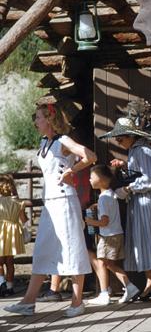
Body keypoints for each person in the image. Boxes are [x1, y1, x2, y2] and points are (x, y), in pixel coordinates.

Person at [5, 103, 95, 318]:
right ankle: (28, 301)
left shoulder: (63, 140)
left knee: (72, 248)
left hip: (65, 201)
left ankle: (77, 301)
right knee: (42, 249)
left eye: (38, 118)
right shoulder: (44, 142)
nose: (35, 122)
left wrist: (71, 171)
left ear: (49, 119)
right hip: (50, 203)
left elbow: (90, 156)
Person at [101, 117, 151, 301]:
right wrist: (125, 165)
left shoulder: (143, 150)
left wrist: (127, 188)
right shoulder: (136, 151)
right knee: (143, 242)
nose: (119, 143)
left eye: (120, 139)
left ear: (130, 136)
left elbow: (149, 180)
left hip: (147, 201)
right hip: (140, 201)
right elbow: (140, 173)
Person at [83, 165, 141, 305]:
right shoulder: (110, 194)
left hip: (108, 236)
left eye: (92, 177)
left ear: (101, 180)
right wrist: (97, 205)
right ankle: (129, 286)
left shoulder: (103, 198)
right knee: (108, 263)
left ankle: (104, 293)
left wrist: (89, 221)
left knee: (103, 263)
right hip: (116, 234)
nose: (90, 180)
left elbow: (104, 222)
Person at [0, 175, 26, 297]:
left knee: (0, 262)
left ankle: (1, 284)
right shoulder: (18, 202)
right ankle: (10, 288)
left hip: (0, 233)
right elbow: (24, 219)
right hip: (12, 234)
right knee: (10, 262)